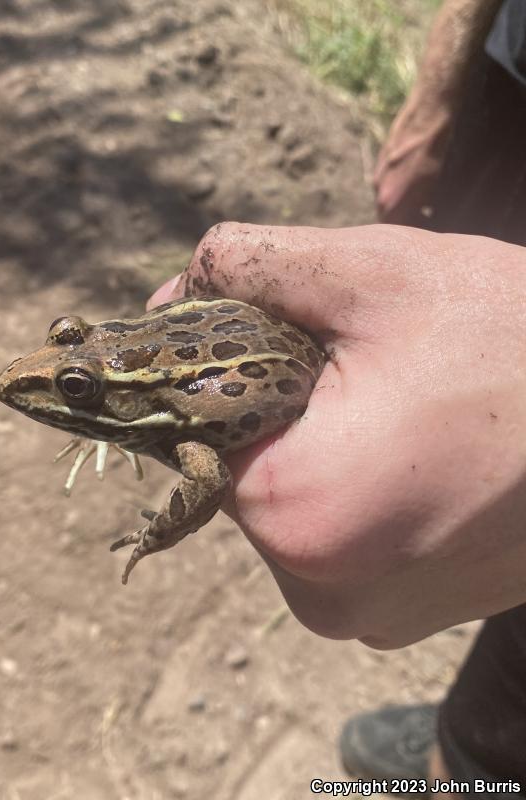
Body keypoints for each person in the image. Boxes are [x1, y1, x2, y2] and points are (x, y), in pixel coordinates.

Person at [149, 2, 526, 795]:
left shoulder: (187, 447)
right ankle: (471, 727)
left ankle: (474, 764)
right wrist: (436, 93)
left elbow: (205, 477)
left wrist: (158, 533)